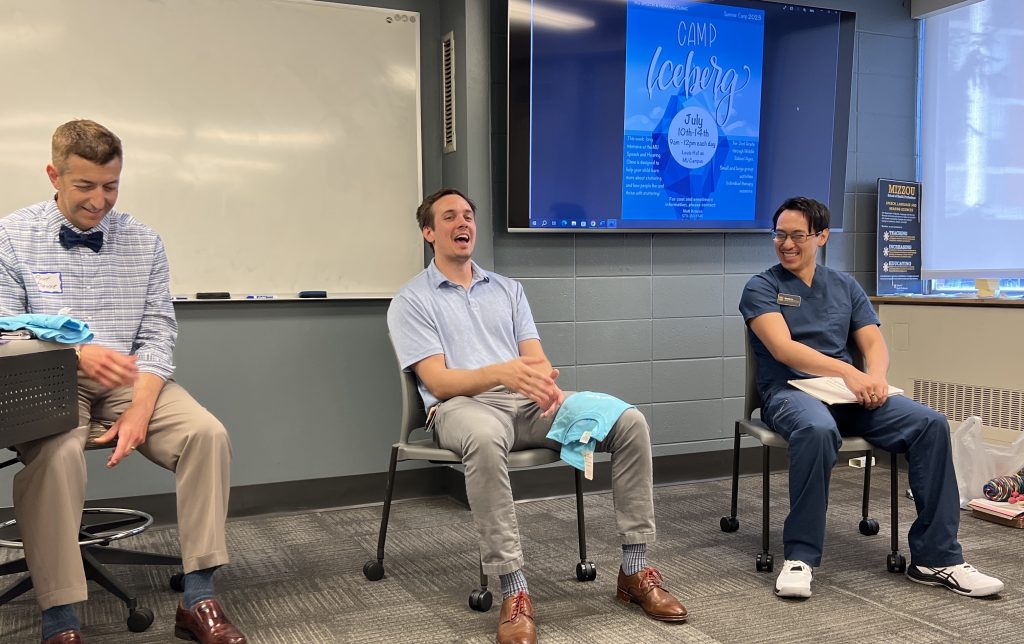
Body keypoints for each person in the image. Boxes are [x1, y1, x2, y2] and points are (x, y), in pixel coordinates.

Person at [387, 188, 687, 644]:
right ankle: (514, 589)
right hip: (460, 408)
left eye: (468, 215)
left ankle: (634, 569)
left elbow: (536, 359)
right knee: (484, 437)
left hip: (525, 402)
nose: (463, 223)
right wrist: (501, 372)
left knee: (628, 421)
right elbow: (440, 382)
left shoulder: (508, 290)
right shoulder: (412, 300)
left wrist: (544, 381)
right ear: (429, 232)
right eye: (449, 217)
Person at [0, 120, 247, 644]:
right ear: (54, 176)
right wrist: (74, 353)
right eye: (85, 186)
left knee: (207, 435)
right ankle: (60, 619)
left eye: (111, 186)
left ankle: (198, 597)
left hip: (130, 380)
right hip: (46, 379)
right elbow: (5, 331)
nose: (99, 201)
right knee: (58, 456)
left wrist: (139, 408)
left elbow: (158, 333)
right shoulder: (11, 236)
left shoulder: (145, 242)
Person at [738, 196, 1004, 600]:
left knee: (930, 424)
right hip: (790, 392)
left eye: (797, 235)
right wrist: (850, 373)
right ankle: (800, 557)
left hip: (848, 396)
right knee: (817, 430)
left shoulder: (844, 286)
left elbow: (873, 343)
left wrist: (876, 379)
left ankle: (937, 558)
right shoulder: (761, 287)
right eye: (779, 235)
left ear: (821, 236)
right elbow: (783, 349)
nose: (786, 244)